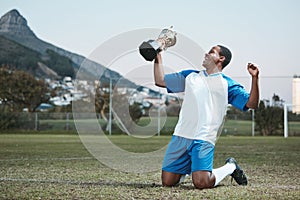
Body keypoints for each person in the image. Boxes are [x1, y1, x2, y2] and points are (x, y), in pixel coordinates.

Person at [153, 45, 259, 189]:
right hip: (181, 135)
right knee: (168, 182)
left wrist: (254, 78)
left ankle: (230, 167)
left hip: (204, 137)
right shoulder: (190, 76)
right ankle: (191, 167)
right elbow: (160, 80)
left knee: (201, 183)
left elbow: (252, 103)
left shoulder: (227, 84)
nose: (206, 54)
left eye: (211, 52)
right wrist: (157, 54)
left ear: (221, 59)